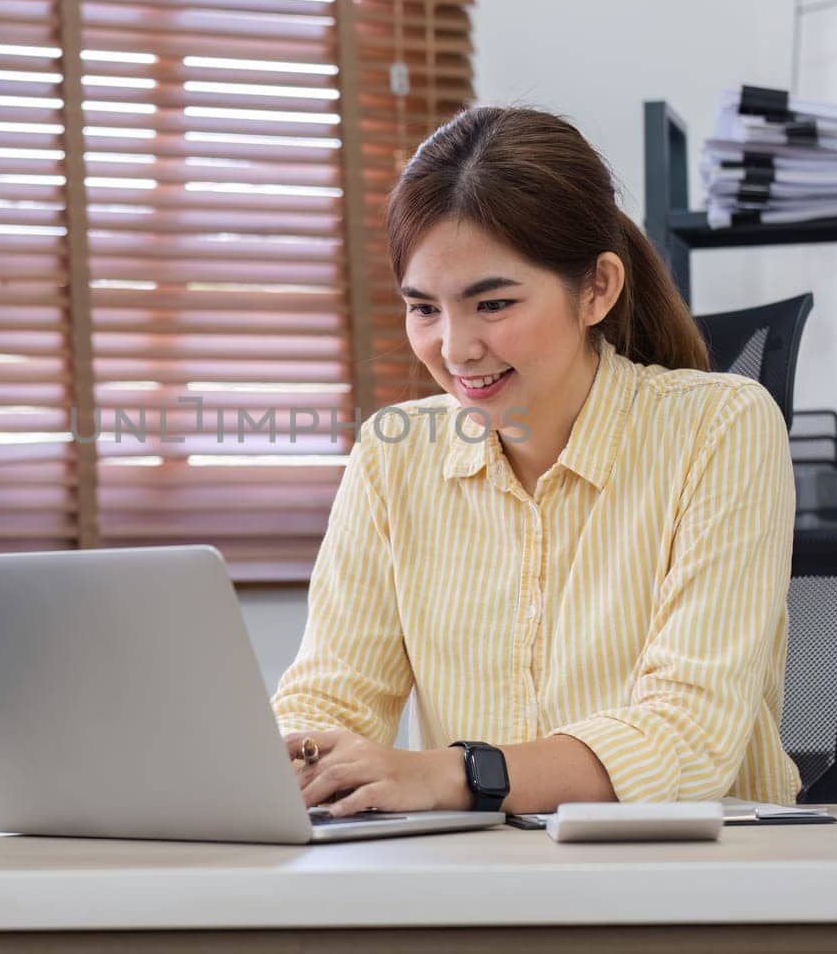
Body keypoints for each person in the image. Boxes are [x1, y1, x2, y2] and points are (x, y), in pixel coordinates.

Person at [271, 106, 800, 816]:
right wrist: (285, 757)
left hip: (703, 886)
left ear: (597, 289)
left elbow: (686, 735)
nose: (454, 349)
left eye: (492, 303)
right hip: (490, 887)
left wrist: (449, 774)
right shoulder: (393, 456)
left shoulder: (722, 427)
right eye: (424, 308)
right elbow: (332, 697)